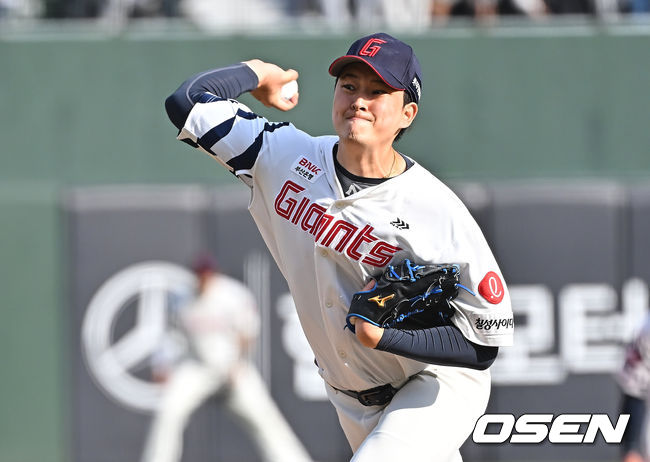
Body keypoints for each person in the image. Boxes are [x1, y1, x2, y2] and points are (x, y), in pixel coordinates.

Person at [164, 32, 514, 461]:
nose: (359, 100)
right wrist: (260, 72)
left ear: (407, 114)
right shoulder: (283, 155)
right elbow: (188, 103)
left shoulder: (437, 210)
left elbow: (482, 345)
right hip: (350, 397)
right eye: (349, 85)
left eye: (377, 91)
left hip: (435, 384)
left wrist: (384, 336)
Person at [141, 255, 311, 462]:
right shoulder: (181, 298)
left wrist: (237, 363)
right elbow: (171, 336)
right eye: (200, 275)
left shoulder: (232, 294)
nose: (204, 279)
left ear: (214, 274)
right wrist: (162, 365)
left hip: (232, 366)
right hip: (196, 367)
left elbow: (247, 334)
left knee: (266, 419)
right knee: (169, 411)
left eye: (207, 275)